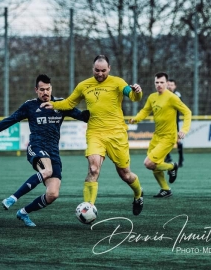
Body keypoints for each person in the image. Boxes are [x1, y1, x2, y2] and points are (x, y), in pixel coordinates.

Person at [40, 55, 144, 215]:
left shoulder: (118, 82)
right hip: (95, 133)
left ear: (109, 69)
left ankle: (138, 195)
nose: (100, 73)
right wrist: (53, 105)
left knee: (125, 174)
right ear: (92, 68)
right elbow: (69, 103)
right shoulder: (84, 85)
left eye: (103, 70)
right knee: (94, 168)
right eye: (97, 70)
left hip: (117, 134)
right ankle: (87, 208)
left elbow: (133, 96)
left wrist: (137, 91)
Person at [0, 74, 90, 226]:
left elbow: (83, 116)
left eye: (48, 89)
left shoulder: (61, 104)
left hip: (53, 153)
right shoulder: (30, 106)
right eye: (42, 90)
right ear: (36, 90)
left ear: (51, 88)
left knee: (53, 194)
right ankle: (12, 198)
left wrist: (92, 110)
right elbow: (8, 121)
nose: (45, 93)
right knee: (47, 170)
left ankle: (23, 213)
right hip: (36, 147)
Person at [129, 72, 192, 198]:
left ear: (167, 83)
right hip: (156, 136)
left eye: (162, 82)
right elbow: (145, 111)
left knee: (148, 163)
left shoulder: (172, 97)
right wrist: (135, 119)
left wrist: (184, 130)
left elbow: (187, 112)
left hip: (168, 137)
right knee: (154, 165)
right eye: (157, 82)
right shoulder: (152, 97)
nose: (159, 85)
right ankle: (165, 189)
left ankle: (172, 166)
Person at [164, 79, 185, 167]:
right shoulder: (163, 95)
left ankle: (181, 159)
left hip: (175, 122)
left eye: (172, 85)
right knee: (165, 140)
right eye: (168, 85)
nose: (170, 86)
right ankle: (168, 156)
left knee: (178, 141)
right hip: (165, 122)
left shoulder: (177, 95)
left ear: (175, 86)